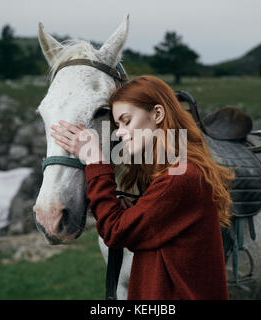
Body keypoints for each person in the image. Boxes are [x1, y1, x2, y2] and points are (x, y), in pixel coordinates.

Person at [50, 75, 234, 300]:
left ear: (157, 114)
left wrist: (96, 162)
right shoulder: (181, 171)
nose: (119, 132)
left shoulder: (180, 177)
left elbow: (114, 231)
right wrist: (136, 213)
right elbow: (152, 234)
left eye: (126, 120)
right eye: (117, 125)